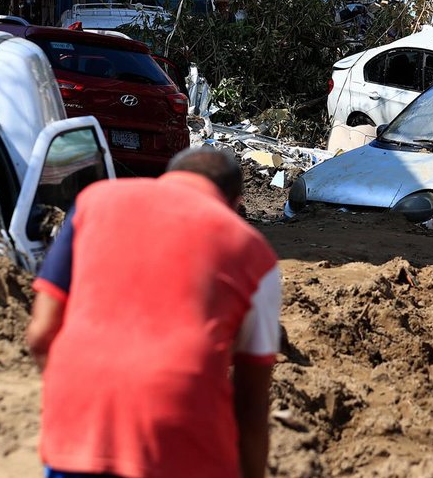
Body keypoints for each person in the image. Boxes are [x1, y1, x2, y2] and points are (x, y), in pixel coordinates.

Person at [25, 147, 281, 478]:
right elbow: (251, 404)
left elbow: (41, 332)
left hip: (76, 433)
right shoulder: (254, 253)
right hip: (181, 441)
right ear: (235, 203)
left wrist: (82, 400)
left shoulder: (94, 202)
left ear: (167, 177)